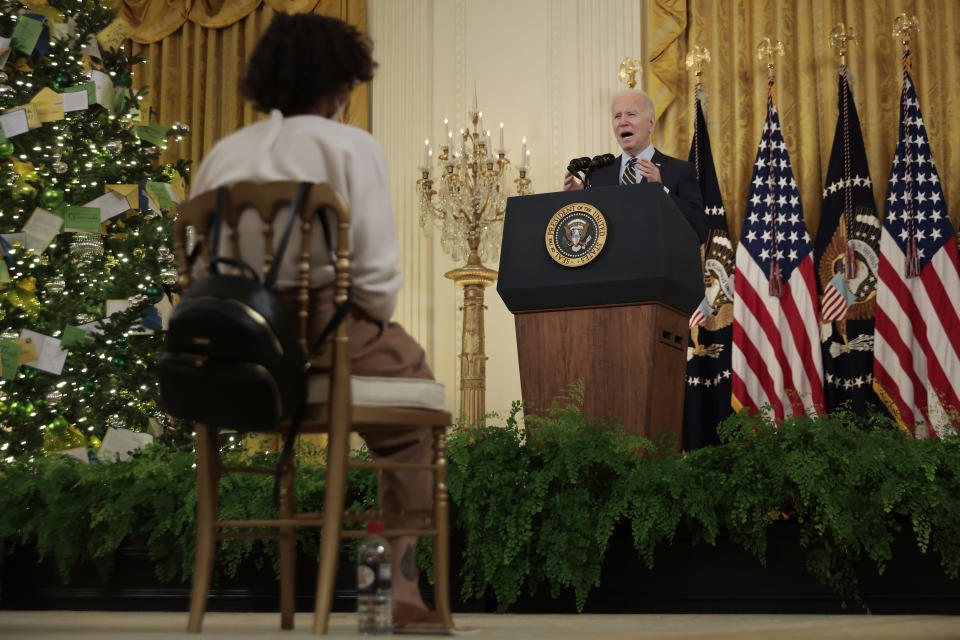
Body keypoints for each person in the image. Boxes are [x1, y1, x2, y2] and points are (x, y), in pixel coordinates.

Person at [190, 13, 443, 632]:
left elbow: (198, 270)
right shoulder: (351, 145)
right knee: (418, 411)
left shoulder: (223, 154)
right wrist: (367, 321)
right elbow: (378, 281)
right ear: (340, 86)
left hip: (232, 351)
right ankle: (395, 589)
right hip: (324, 335)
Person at [563, 89, 707, 243]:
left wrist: (661, 191)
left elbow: (698, 231)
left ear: (651, 124)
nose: (623, 121)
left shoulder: (680, 171)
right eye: (617, 116)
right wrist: (577, 201)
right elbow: (586, 234)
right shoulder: (598, 174)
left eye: (631, 114)